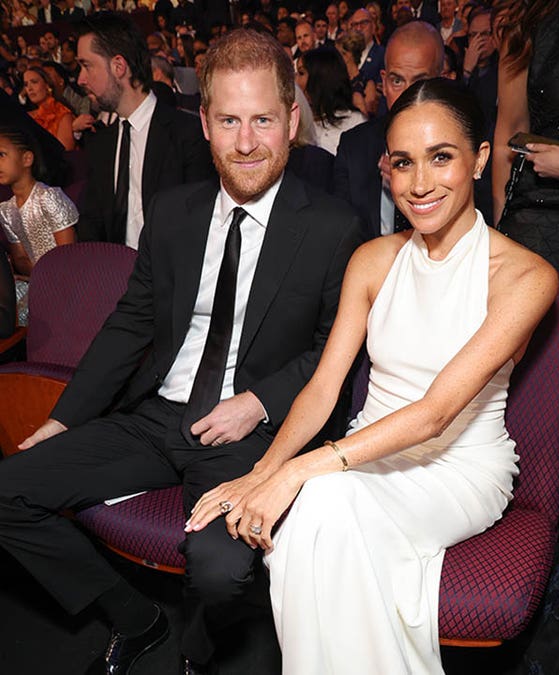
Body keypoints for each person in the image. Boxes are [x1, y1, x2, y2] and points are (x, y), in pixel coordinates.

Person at [0, 27, 362, 675]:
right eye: (228, 120)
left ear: (290, 120)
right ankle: (136, 620)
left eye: (262, 120)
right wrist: (64, 417)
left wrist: (258, 400)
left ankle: (202, 651)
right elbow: (129, 324)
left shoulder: (334, 227)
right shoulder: (173, 212)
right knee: (6, 491)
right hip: (156, 416)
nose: (246, 142)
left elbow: (333, 354)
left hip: (249, 433)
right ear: (204, 121)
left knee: (221, 571)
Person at [188, 77, 557, 674]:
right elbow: (324, 387)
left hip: (459, 466)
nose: (420, 184)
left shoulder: (524, 277)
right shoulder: (373, 258)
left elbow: (437, 413)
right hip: (361, 457)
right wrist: (261, 472)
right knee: (321, 511)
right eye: (404, 162)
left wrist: (299, 470)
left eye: (442, 158)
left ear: (480, 159)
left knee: (317, 505)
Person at [493, 0, 559, 370]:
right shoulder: (525, 15)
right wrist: (500, 233)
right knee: (520, 364)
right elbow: (510, 127)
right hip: (538, 202)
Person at [73, 12, 214, 248]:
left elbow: (199, 230)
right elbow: (92, 228)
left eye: (87, 66)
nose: (80, 79)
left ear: (118, 66)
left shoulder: (187, 135)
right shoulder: (100, 143)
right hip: (114, 276)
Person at [333, 20, 442, 240]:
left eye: (419, 82)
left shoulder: (463, 150)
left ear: (442, 81)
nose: (406, 97)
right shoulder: (354, 146)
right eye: (397, 81)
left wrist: (414, 189)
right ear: (383, 81)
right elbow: (339, 237)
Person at [0, 122, 78, 326]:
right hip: (35, 281)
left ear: (27, 158)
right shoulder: (6, 210)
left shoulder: (48, 197)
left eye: (1, 155)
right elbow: (20, 258)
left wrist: (44, 280)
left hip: (64, 283)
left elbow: (68, 255)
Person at [297, 47, 366, 156]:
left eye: (301, 73)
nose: (295, 80)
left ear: (320, 78)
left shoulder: (354, 123)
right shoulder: (297, 124)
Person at [22, 66, 76, 150]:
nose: (29, 88)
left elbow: (66, 152)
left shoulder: (62, 112)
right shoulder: (26, 117)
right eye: (26, 84)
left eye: (34, 82)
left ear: (47, 85)